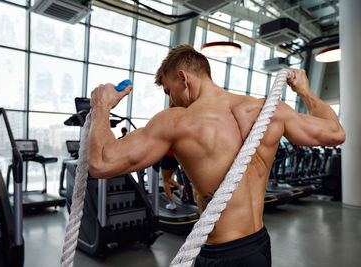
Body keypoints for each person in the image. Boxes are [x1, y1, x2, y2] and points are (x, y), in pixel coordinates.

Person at [88, 45, 345, 266]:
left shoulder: (178, 122)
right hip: (258, 246)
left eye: (169, 91)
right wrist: (305, 91)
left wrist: (101, 106)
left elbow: (101, 163)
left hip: (219, 252)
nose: (170, 102)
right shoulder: (268, 110)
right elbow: (335, 133)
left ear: (183, 78)